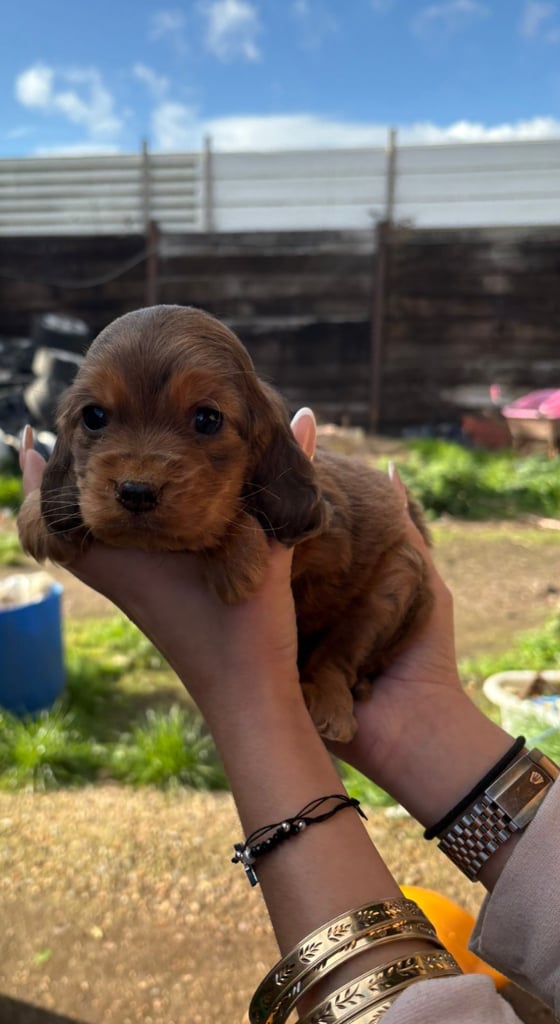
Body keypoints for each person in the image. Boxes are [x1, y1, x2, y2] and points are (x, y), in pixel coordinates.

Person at [19, 414, 560, 1024]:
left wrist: (253, 694)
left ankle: (332, 667)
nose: (139, 469)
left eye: (204, 421)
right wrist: (422, 717)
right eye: (97, 419)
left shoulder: (278, 489)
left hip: (353, 614)